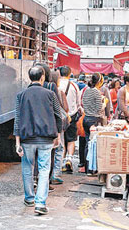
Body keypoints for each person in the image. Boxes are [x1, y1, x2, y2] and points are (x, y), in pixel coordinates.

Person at [14, 66, 62, 215]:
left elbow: (17, 119)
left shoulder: (21, 95)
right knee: (44, 170)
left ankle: (29, 198)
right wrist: (58, 135)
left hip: (27, 139)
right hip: (46, 138)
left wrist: (17, 142)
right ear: (42, 77)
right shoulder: (50, 94)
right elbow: (58, 115)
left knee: (27, 168)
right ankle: (40, 203)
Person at [36, 63, 67, 186]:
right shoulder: (51, 86)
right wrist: (58, 131)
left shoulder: (30, 87)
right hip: (49, 123)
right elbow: (56, 108)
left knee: (36, 154)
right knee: (50, 153)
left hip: (36, 123)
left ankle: (35, 178)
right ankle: (46, 182)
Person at [58, 66, 82, 173]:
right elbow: (78, 103)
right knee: (71, 139)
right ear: (69, 74)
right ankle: (69, 159)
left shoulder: (56, 85)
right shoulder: (74, 85)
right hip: (71, 115)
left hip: (59, 116)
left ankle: (60, 162)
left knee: (61, 139)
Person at [82, 73, 107, 176]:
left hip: (86, 119)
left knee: (88, 144)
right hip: (94, 120)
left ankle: (88, 168)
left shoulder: (87, 90)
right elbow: (99, 108)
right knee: (93, 145)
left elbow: (84, 103)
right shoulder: (96, 92)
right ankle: (92, 169)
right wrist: (105, 102)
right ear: (100, 82)